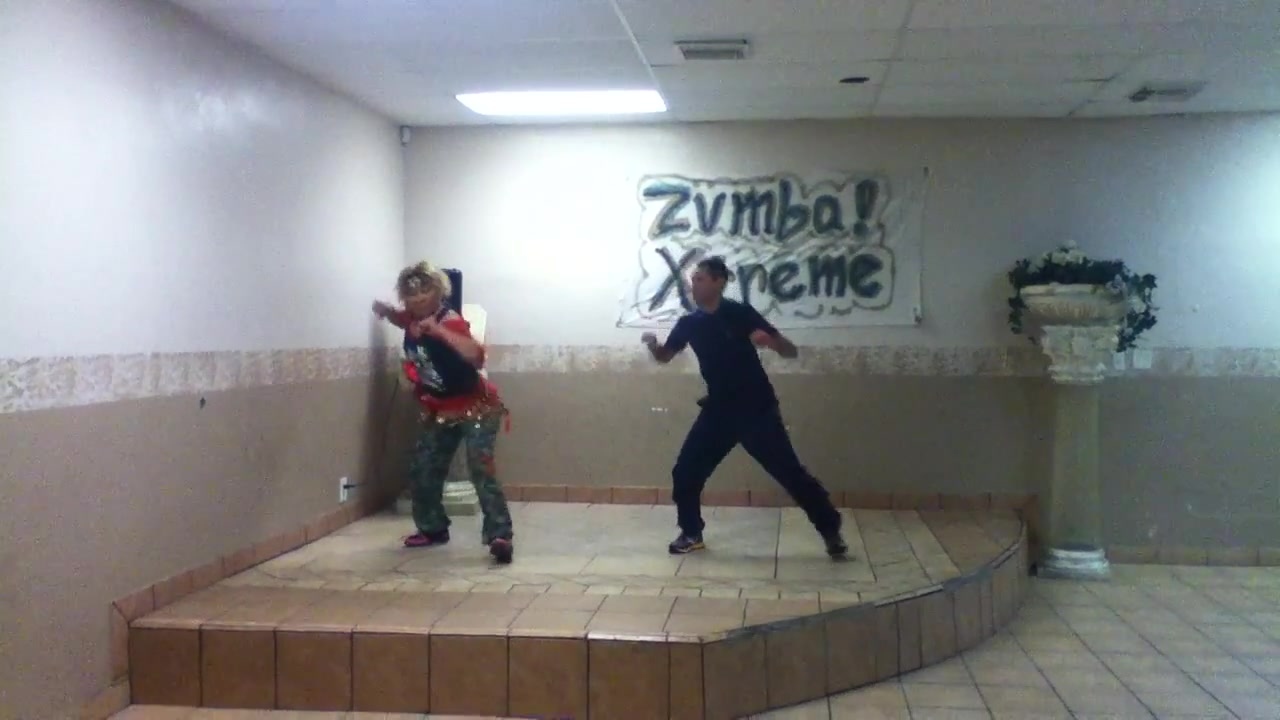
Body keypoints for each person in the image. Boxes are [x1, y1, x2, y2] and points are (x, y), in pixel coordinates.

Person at [641, 256, 848, 559]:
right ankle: (691, 533)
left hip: (756, 409)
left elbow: (790, 351)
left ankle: (830, 531)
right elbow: (665, 356)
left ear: (719, 282)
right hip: (718, 412)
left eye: (699, 280)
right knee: (685, 471)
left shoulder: (741, 314)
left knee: (790, 474)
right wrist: (652, 345)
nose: (693, 286)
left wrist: (772, 342)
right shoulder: (689, 323)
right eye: (692, 281)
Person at [372, 261, 514, 564]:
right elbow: (402, 319)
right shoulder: (411, 318)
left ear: (438, 292)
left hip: (477, 406)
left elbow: (476, 356)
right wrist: (386, 312)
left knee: (480, 468)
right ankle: (432, 528)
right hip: (440, 410)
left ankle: (499, 535)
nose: (418, 298)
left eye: (424, 291)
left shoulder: (449, 320)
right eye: (411, 293)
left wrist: (438, 331)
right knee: (423, 468)